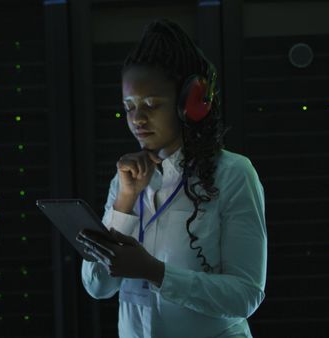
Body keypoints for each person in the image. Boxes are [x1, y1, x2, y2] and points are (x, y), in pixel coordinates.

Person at [76, 18, 267, 338]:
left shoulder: (234, 174)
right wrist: (123, 204)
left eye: (151, 104)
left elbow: (245, 295)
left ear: (190, 104)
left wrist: (154, 272)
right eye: (129, 106)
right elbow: (98, 286)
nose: (137, 118)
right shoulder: (123, 180)